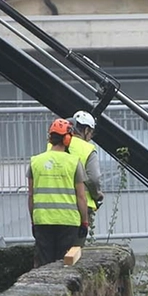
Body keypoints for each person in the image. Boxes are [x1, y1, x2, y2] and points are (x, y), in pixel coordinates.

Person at [28, 118, 90, 266]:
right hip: (68, 221)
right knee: (65, 265)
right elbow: (81, 197)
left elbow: (31, 196)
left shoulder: (35, 161)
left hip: (42, 220)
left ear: (50, 138)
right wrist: (85, 221)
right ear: (67, 139)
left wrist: (33, 220)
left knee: (43, 265)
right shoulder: (74, 162)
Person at [66, 110, 104, 238]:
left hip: (53, 206)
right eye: (91, 133)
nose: (91, 137)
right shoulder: (88, 149)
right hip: (80, 206)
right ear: (86, 130)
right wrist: (97, 195)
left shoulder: (56, 145)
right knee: (76, 249)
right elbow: (93, 178)